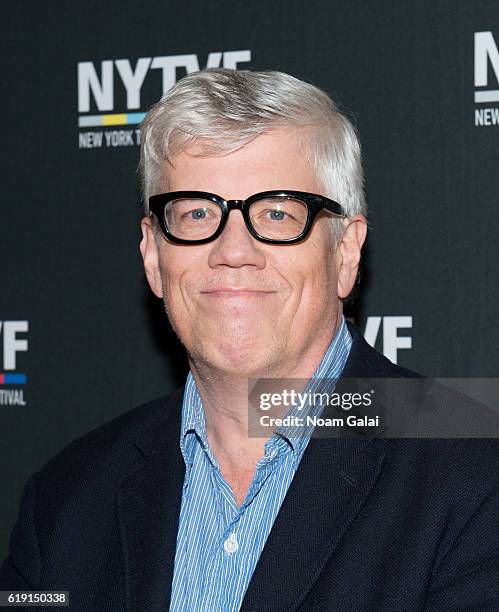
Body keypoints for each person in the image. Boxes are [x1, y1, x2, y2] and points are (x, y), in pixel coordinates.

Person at [1, 68, 498, 611]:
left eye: (278, 213)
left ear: (345, 253)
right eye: (196, 213)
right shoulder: (67, 497)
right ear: (153, 255)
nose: (234, 250)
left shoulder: (472, 467)